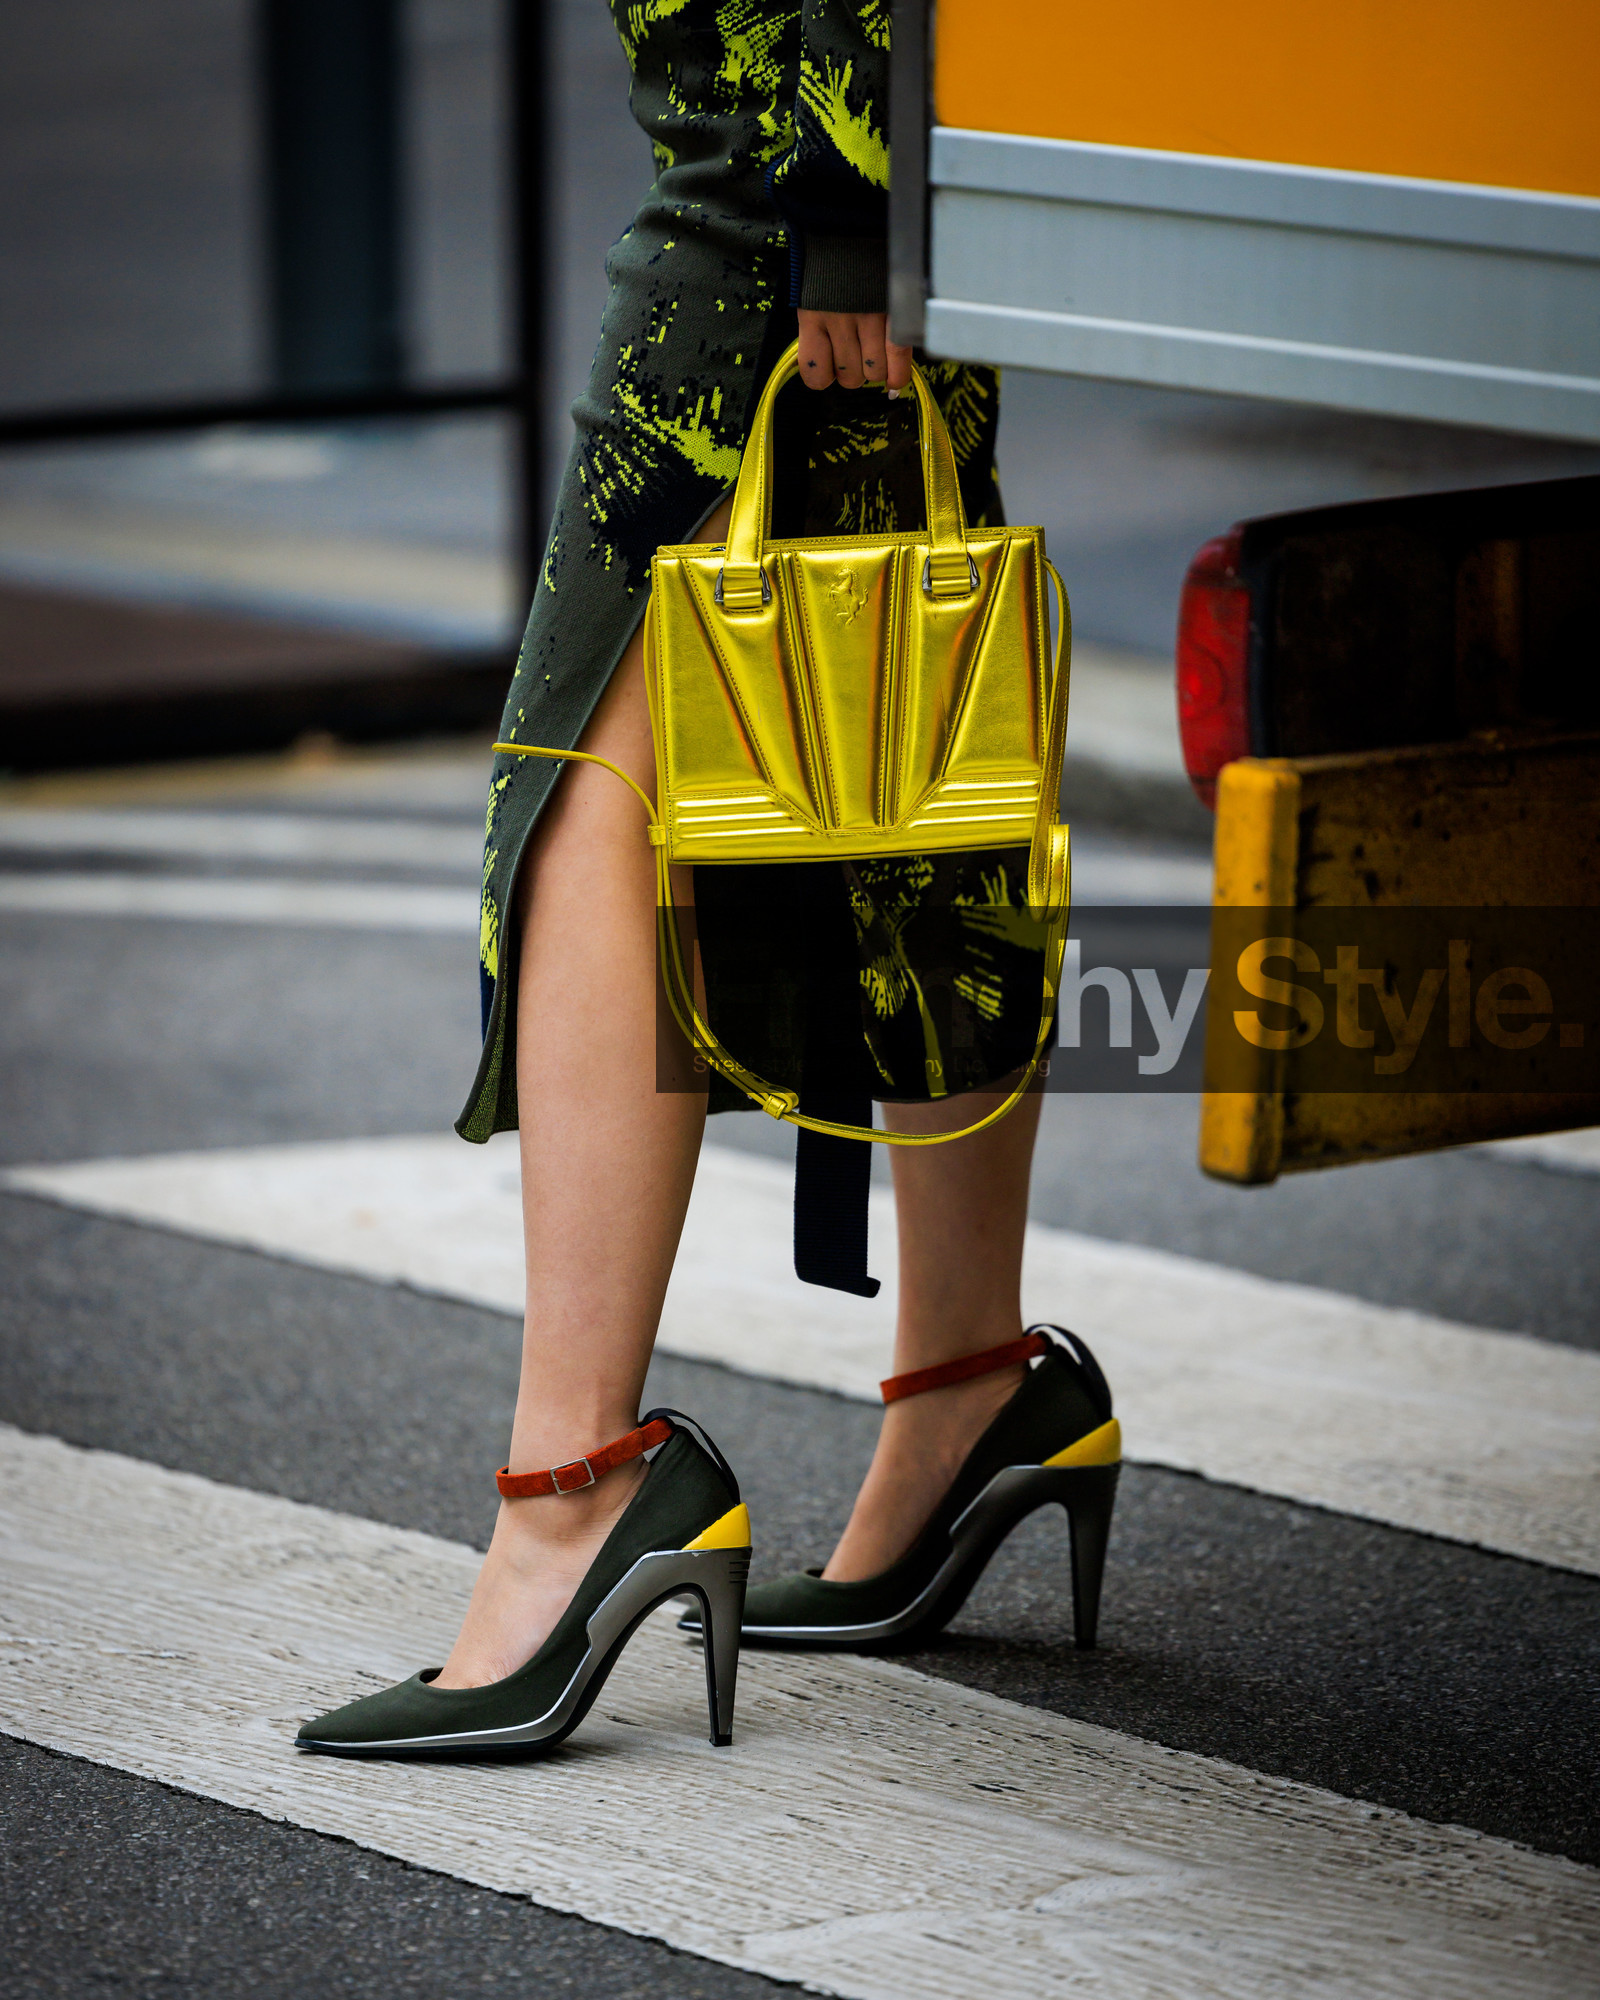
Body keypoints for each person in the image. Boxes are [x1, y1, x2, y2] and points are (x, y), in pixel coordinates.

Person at [298, 0, 1117, 1758]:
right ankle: (973, 1384)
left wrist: (834, 196)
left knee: (594, 766)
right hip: (869, 148)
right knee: (915, 693)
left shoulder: (801, 187)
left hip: (788, 154)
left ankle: (578, 1482)